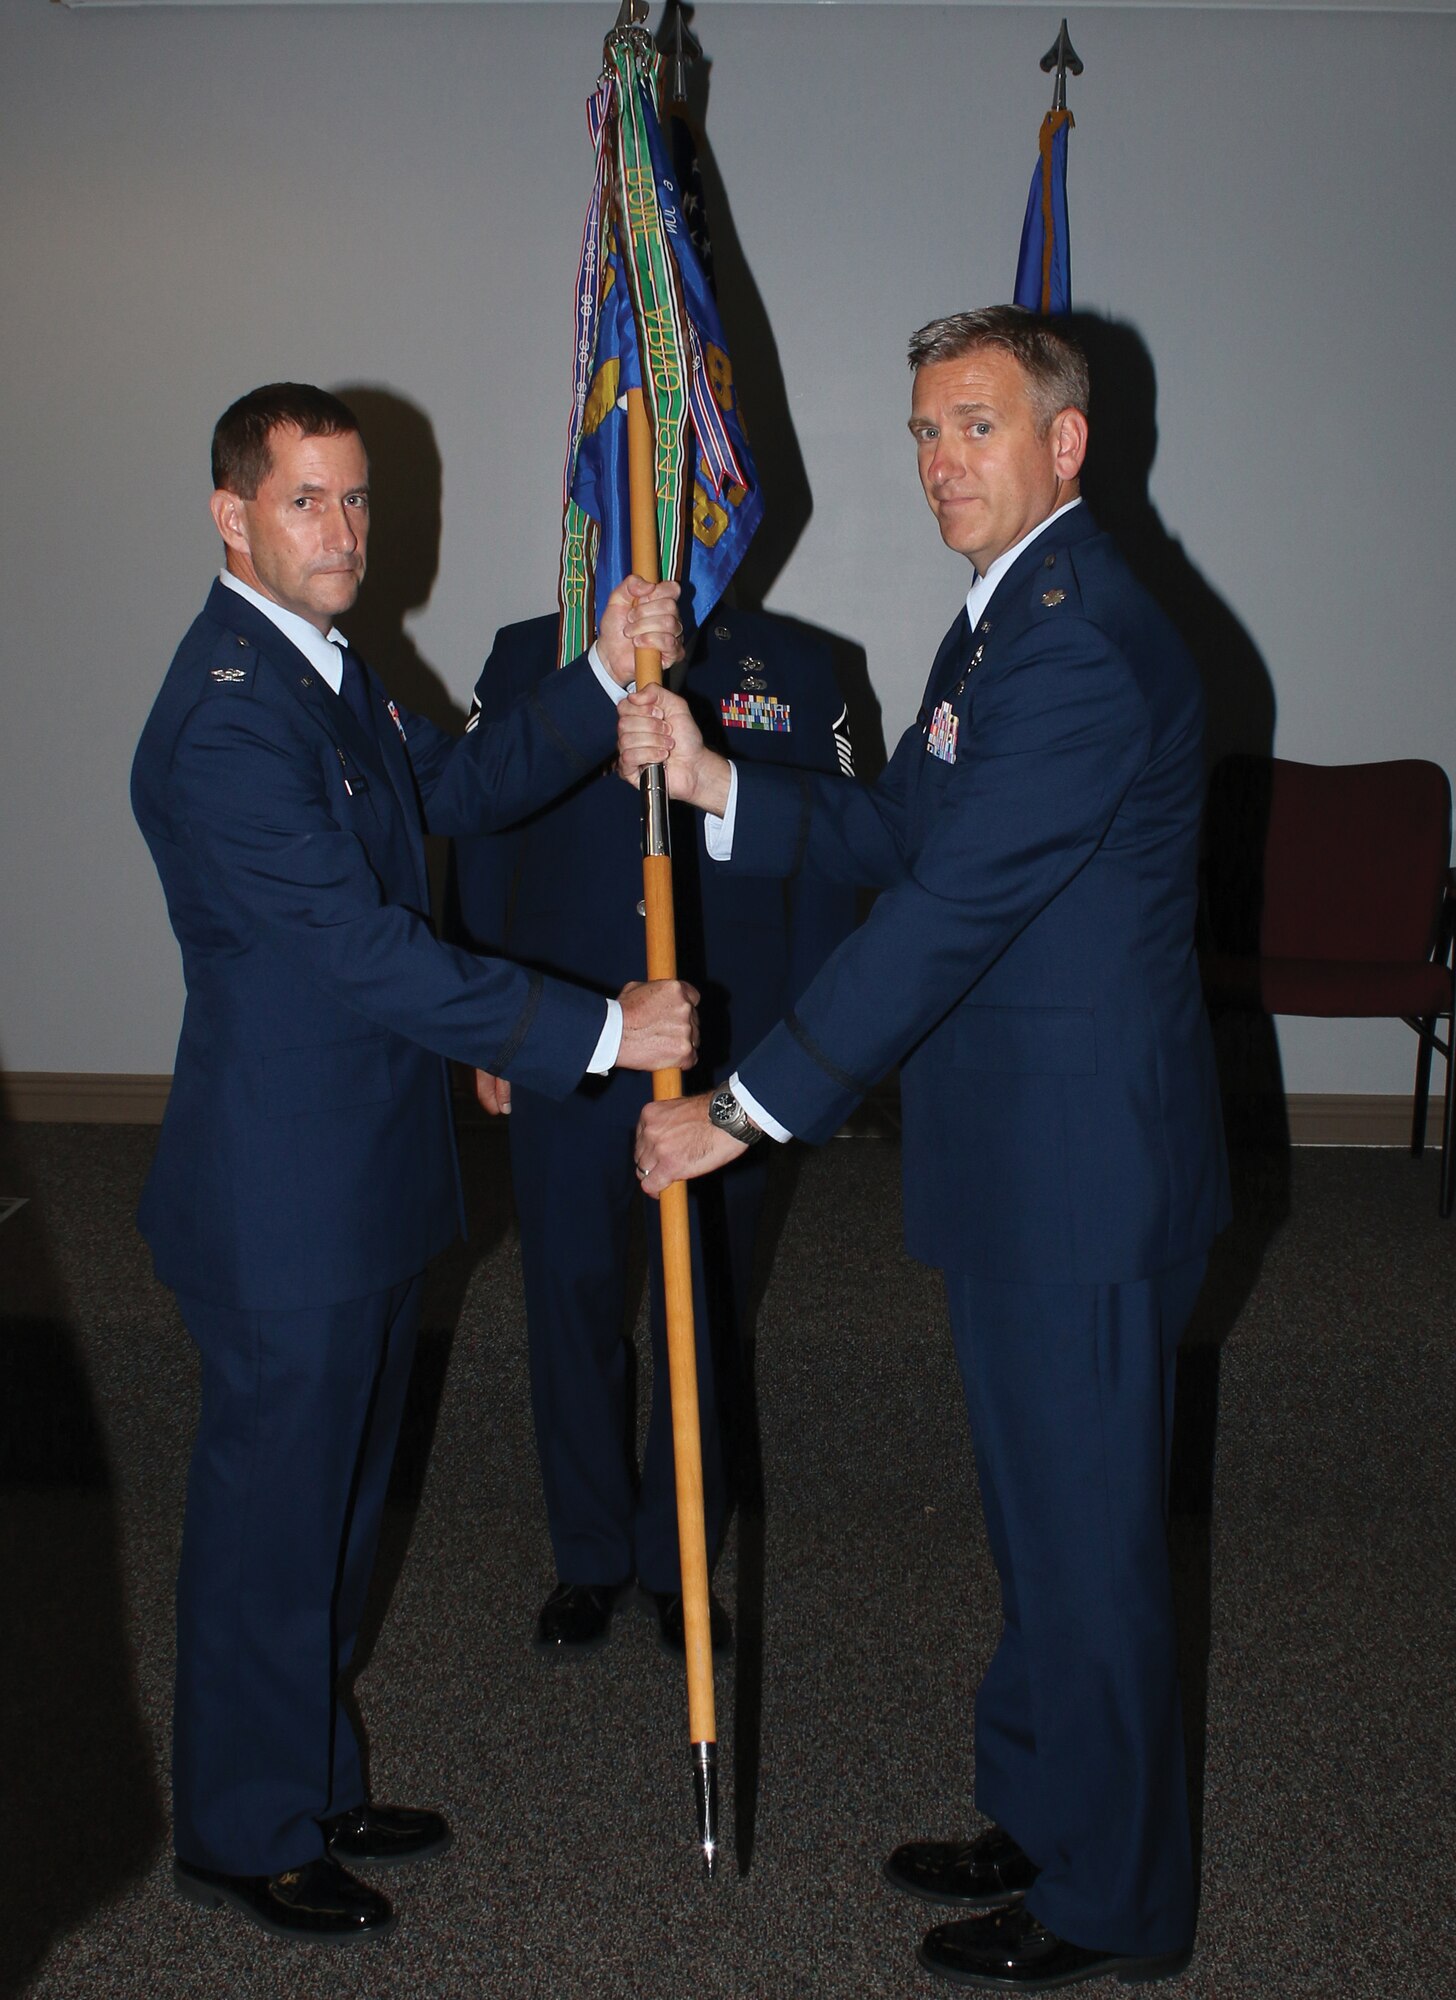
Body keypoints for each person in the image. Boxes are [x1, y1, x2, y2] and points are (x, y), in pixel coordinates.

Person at [619, 309, 1230, 1993]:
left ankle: (1110, 1904)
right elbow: (900, 823)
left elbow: (947, 911)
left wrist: (748, 1110)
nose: (937, 461)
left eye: (974, 425)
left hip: (1081, 1182)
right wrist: (714, 775)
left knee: (1089, 1549)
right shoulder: (1005, 622)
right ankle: (1042, 1815)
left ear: (1066, 442)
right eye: (922, 430)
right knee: (1042, 1528)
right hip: (1016, 1163)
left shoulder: (1081, 638)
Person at [130, 383, 696, 1947]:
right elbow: (364, 952)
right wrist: (596, 1030)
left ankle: (305, 1775)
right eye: (307, 500)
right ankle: (242, 1833)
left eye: (357, 499)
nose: (344, 531)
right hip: (283, 1198)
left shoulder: (323, 673)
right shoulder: (230, 710)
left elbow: (445, 791)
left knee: (334, 1510)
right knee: (270, 1531)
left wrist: (594, 677)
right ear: (231, 515)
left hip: (358, 1182)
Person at [452, 608, 856, 1653]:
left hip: (728, 1057)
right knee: (569, 1300)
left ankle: (679, 1559)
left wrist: (796, 1059)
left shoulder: (803, 667)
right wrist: (493, 1027)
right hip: (566, 1038)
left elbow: (831, 869)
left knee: (703, 1316)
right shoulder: (528, 654)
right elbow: (483, 830)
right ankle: (587, 1554)